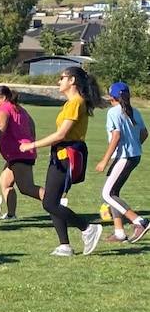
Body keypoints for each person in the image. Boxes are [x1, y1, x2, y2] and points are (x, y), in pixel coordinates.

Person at [19, 67, 104, 256]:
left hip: (67, 155)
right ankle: (64, 245)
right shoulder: (70, 104)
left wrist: (32, 145)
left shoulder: (76, 103)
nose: (59, 81)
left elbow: (61, 134)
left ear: (72, 80)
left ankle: (88, 228)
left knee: (49, 203)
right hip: (59, 155)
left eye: (61, 78)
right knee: (52, 200)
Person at [94, 81, 149, 243]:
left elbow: (116, 136)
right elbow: (145, 133)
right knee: (113, 193)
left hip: (123, 157)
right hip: (134, 156)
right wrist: (134, 145)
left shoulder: (113, 112)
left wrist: (104, 160)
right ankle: (119, 232)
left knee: (107, 193)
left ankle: (140, 222)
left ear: (112, 97)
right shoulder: (134, 111)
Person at [0, 85, 45, 220]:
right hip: (16, 154)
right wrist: (30, 140)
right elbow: (32, 125)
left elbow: (0, 129)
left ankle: (55, 201)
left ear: (3, 98)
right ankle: (11, 214)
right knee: (5, 183)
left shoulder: (3, 110)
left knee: (26, 187)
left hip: (19, 154)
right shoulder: (19, 109)